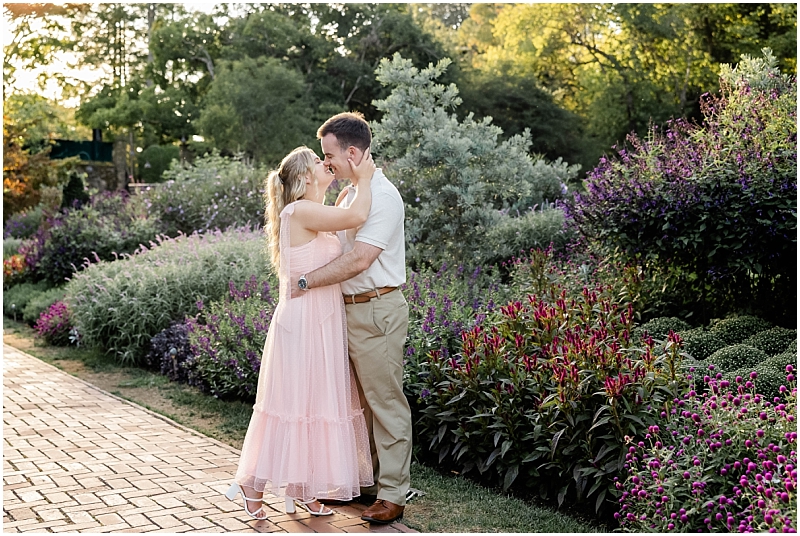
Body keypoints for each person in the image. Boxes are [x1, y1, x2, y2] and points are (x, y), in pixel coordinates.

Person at [225, 145, 376, 519]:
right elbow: (357, 214)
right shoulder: (301, 211)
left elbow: (342, 217)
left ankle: (304, 488)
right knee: (291, 405)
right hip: (304, 323)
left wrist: (345, 190)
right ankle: (251, 484)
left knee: (313, 404)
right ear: (307, 177)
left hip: (319, 320)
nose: (326, 165)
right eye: (318, 163)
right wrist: (365, 178)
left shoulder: (312, 210)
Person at [293, 112, 412, 525]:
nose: (326, 163)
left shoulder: (384, 197)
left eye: (329, 155)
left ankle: (394, 493)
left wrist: (306, 281)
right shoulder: (349, 195)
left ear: (353, 152)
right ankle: (366, 483)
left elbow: (360, 260)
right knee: (355, 403)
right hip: (345, 312)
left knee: (385, 403)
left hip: (377, 310)